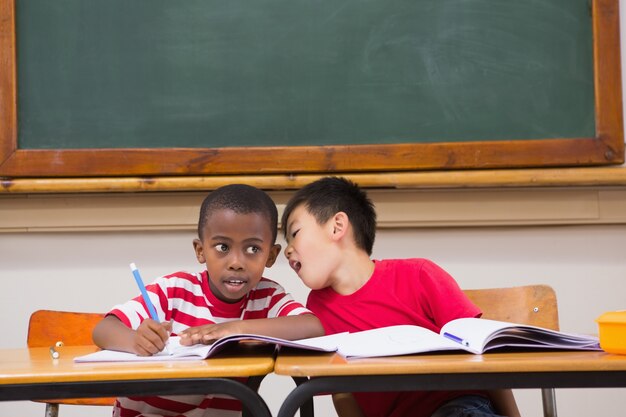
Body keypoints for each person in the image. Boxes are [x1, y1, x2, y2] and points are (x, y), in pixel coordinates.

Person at [281, 176, 521, 417]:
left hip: (459, 407)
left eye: (295, 233)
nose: (288, 249)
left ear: (337, 226)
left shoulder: (419, 275)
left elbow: (486, 357)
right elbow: (341, 390)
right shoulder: (317, 311)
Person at [93, 184, 324, 417]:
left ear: (271, 256)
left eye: (253, 249)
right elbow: (104, 329)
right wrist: (136, 341)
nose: (236, 262)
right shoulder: (174, 290)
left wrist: (235, 329)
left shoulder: (267, 297)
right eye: (222, 247)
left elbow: (312, 326)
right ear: (200, 250)